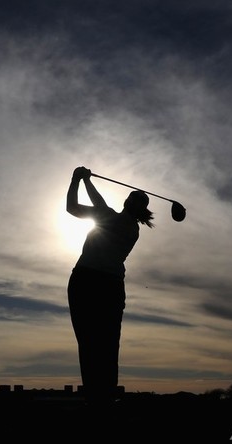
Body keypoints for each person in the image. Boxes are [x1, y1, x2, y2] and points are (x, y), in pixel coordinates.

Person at [66, 165, 154, 412]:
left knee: (106, 343)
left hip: (103, 284)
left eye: (137, 200)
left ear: (139, 209)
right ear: (126, 201)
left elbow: (101, 208)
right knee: (88, 341)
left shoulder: (129, 228)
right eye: (132, 197)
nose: (131, 201)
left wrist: (83, 180)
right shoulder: (111, 216)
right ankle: (96, 398)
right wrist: (76, 182)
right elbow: (71, 208)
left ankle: (103, 399)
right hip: (86, 280)